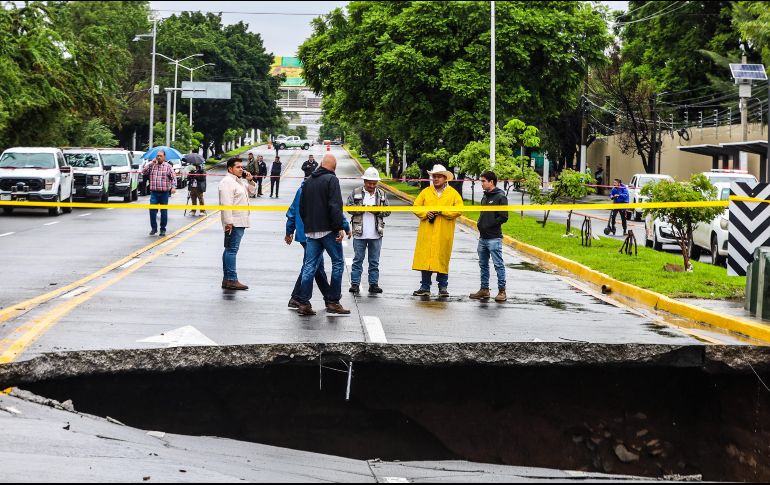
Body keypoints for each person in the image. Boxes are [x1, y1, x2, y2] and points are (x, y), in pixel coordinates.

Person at [295, 154, 349, 316]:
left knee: (309, 266)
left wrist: (308, 226)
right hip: (328, 230)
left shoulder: (308, 181)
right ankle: (333, 301)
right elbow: (335, 205)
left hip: (311, 231)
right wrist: (339, 227)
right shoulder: (332, 180)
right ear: (333, 167)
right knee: (338, 263)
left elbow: (302, 207)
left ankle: (303, 302)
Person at [286, 181, 351, 308]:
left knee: (314, 266)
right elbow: (334, 209)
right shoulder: (323, 189)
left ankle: (298, 297)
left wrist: (289, 231)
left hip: (303, 233)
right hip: (316, 231)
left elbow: (292, 211)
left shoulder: (301, 190)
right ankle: (320, 298)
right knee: (313, 265)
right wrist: (344, 225)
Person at [411, 164, 464, 297]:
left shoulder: (453, 193)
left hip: (444, 232)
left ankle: (443, 287)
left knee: (442, 258)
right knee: (426, 259)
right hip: (427, 231)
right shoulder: (426, 192)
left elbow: (459, 210)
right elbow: (416, 206)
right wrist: (425, 213)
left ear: (445, 178)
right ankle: (425, 287)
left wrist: (442, 212)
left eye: (438, 176)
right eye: (434, 176)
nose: (435, 179)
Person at [346, 167, 390, 295]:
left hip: (376, 233)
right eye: (369, 183)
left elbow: (388, 210)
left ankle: (373, 284)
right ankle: (355, 284)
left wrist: (377, 211)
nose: (372, 186)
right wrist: (363, 208)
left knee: (374, 261)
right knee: (358, 259)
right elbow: (349, 208)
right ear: (364, 181)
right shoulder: (355, 193)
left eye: (374, 183)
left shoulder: (381, 194)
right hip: (360, 233)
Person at [469, 171, 508, 302]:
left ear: (491, 182)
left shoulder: (500, 196)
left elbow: (503, 217)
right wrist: (481, 224)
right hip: (483, 238)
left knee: (498, 264)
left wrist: (489, 224)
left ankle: (502, 291)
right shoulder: (485, 197)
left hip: (494, 238)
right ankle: (484, 290)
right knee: (483, 265)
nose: (482, 183)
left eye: (483, 181)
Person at [219, 157, 257, 290]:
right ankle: (231, 279)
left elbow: (253, 191)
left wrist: (250, 179)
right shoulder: (227, 182)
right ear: (230, 169)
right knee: (232, 250)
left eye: (242, 167)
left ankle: (227, 279)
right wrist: (228, 222)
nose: (241, 169)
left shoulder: (239, 182)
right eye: (238, 167)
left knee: (230, 249)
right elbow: (226, 204)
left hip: (240, 221)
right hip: (234, 222)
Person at [142, 149, 176, 237]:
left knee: (164, 211)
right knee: (152, 211)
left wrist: (173, 187)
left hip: (164, 192)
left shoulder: (168, 167)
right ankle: (154, 228)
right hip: (154, 192)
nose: (159, 157)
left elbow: (173, 178)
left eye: (160, 156)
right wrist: (150, 163)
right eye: (157, 156)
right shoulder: (152, 166)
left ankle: (162, 229)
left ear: (164, 157)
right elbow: (144, 172)